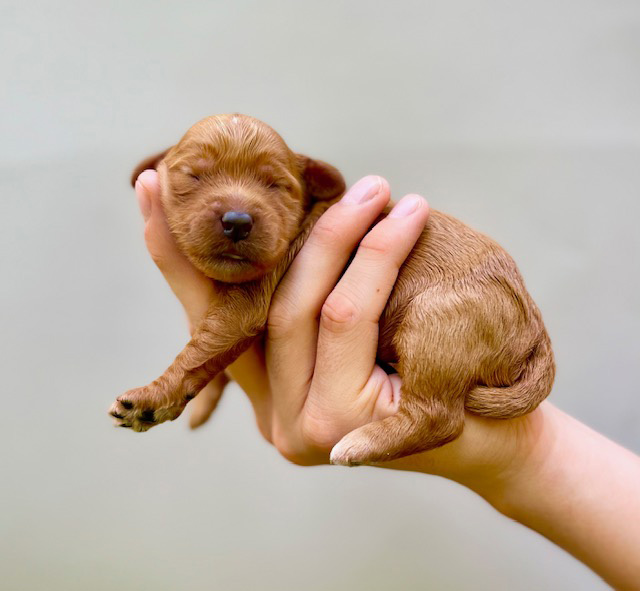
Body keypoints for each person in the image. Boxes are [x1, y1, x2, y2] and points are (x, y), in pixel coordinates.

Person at [134, 169, 640, 590]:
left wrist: (173, 386)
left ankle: (427, 415)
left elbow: (239, 321)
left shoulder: (290, 241)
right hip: (474, 329)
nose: (237, 211)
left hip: (468, 311)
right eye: (193, 179)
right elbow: (243, 327)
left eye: (274, 185)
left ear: (313, 184)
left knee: (438, 315)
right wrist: (528, 456)